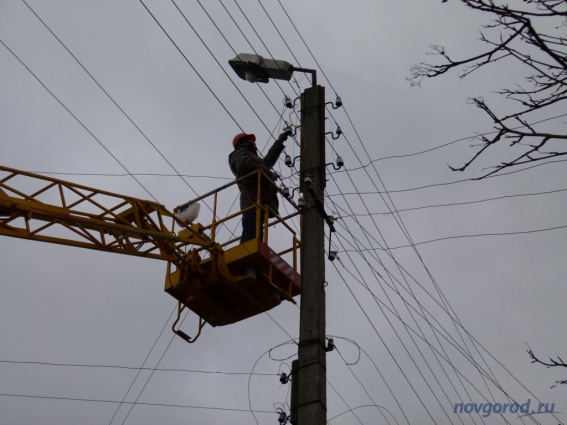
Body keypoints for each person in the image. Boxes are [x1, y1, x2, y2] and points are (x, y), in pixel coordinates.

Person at [229, 131, 288, 243]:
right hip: (251, 199)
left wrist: (280, 142)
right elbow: (244, 165)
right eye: (251, 141)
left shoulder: (253, 157)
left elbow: (267, 161)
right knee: (251, 231)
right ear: (243, 143)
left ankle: (252, 251)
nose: (255, 144)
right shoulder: (239, 153)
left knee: (257, 233)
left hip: (260, 200)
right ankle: (248, 254)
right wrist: (269, 174)